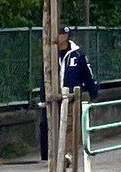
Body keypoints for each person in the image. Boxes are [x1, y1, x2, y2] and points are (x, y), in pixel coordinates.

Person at [39, 27, 100, 161]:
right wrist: (43, 97)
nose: (59, 37)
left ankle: (68, 153)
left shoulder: (77, 56)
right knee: (51, 125)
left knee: (70, 126)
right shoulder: (51, 56)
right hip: (55, 97)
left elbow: (87, 75)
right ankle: (52, 154)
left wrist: (93, 91)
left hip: (72, 96)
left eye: (62, 34)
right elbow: (44, 77)